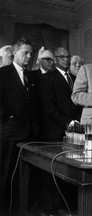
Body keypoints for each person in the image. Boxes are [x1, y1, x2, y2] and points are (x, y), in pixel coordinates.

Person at [0, 38, 39, 214]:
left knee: (22, 178)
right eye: (25, 52)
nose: (29, 56)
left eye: (31, 53)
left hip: (28, 135)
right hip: (8, 134)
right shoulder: (3, 73)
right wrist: (8, 116)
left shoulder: (30, 76)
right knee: (5, 176)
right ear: (15, 53)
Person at [40, 47, 82, 141]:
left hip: (77, 130)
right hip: (57, 132)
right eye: (62, 57)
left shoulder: (75, 78)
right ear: (55, 60)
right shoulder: (47, 78)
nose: (66, 59)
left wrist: (78, 121)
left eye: (68, 57)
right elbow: (49, 107)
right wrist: (69, 122)